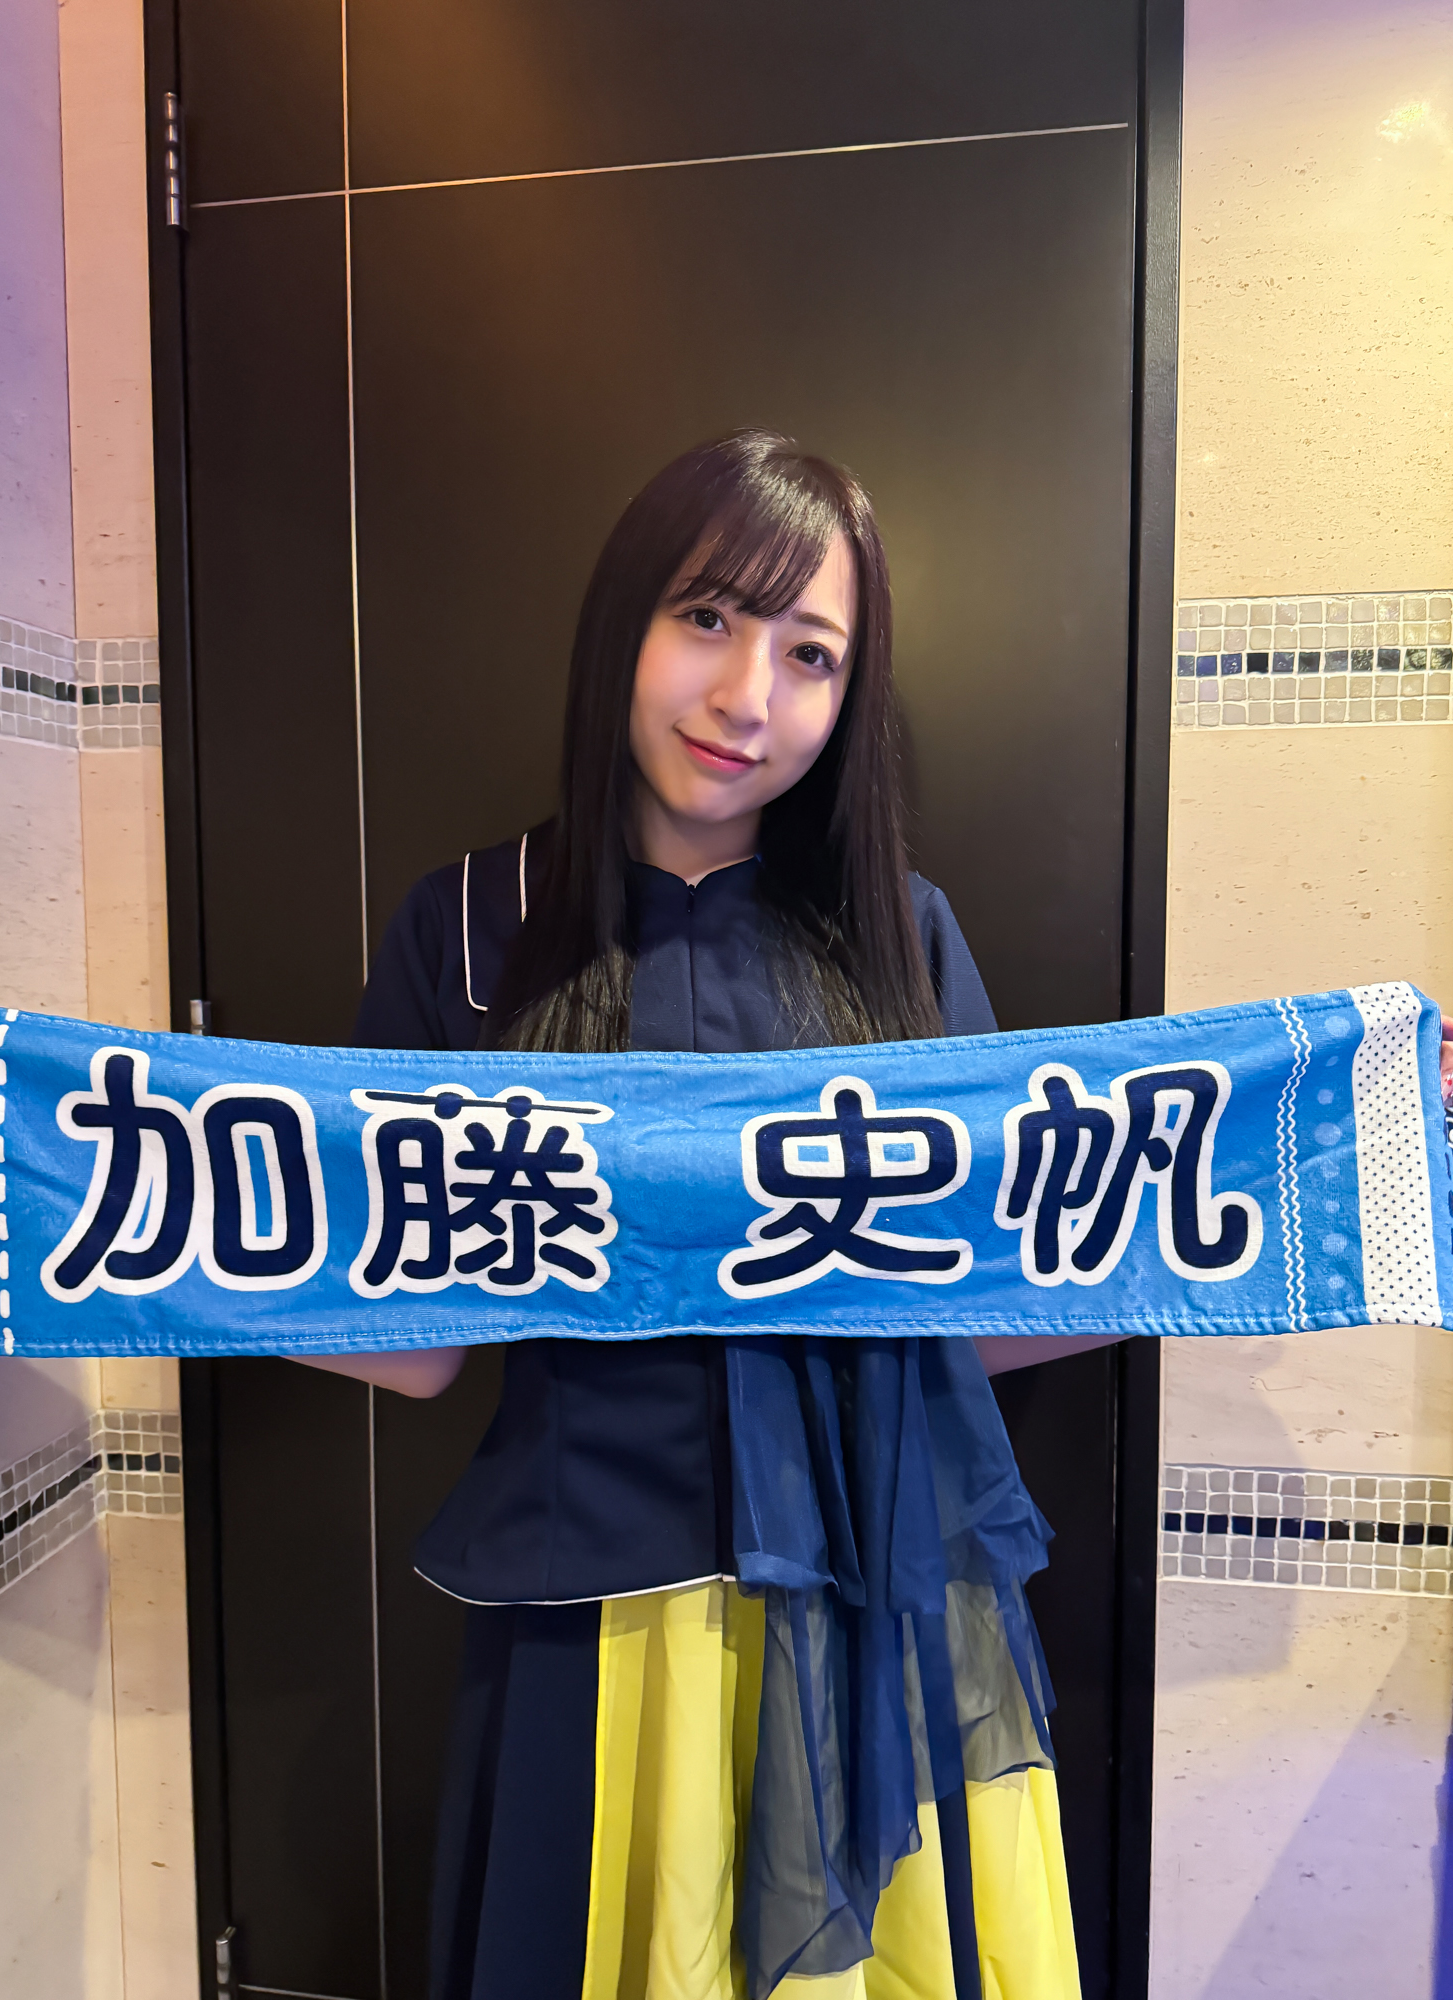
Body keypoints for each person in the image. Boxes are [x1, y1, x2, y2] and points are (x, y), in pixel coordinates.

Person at [301, 432, 1124, 2000]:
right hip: (585, 1618)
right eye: (708, 618)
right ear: (625, 620)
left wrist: (1274, 1200)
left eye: (811, 655)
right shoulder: (468, 931)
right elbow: (417, 1348)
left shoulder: (899, 939)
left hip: (879, 1608)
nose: (750, 697)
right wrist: (125, 1252)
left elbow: (974, 1306)